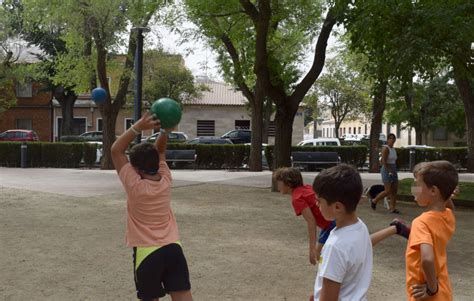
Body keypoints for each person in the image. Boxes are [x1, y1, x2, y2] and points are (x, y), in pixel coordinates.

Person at [111, 112, 193, 301]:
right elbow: (161, 151)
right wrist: (165, 131)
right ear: (156, 163)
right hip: (173, 248)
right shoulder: (165, 179)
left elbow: (116, 150)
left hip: (147, 251)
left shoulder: (135, 185)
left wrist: (138, 126)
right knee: (183, 295)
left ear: (136, 169)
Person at [311, 164, 372, 300]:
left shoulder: (336, 246)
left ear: (337, 207)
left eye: (319, 201)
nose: (316, 205)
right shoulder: (360, 226)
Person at [405, 160, 458, 300]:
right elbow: (449, 207)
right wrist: (447, 194)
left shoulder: (421, 223)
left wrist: (431, 289)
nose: (414, 189)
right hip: (444, 291)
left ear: (433, 191)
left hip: (426, 295)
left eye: (418, 185)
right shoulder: (448, 216)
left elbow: (427, 259)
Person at [274, 167, 336, 264]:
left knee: (319, 254)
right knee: (320, 253)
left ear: (289, 184)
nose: (278, 185)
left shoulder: (297, 198)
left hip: (331, 224)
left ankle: (326, 274)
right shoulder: (306, 188)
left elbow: (311, 221)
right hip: (331, 222)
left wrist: (311, 249)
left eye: (279, 182)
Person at [371, 133, 400, 214]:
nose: (392, 140)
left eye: (393, 138)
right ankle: (375, 200)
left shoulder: (393, 149)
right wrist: (389, 170)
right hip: (387, 169)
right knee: (388, 190)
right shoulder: (386, 148)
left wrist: (393, 170)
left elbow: (394, 160)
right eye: (390, 138)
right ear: (388, 140)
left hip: (393, 168)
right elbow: (383, 161)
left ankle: (392, 208)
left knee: (394, 190)